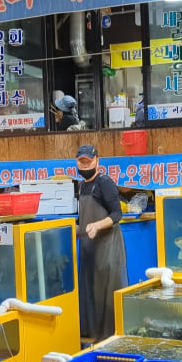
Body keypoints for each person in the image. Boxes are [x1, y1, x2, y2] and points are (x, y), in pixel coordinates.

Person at [71, 142, 126, 343]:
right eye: (81, 162)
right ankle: (92, 335)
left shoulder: (105, 183)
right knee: (89, 290)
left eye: (88, 162)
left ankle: (110, 339)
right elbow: (80, 219)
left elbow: (117, 214)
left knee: (107, 292)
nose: (85, 166)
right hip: (88, 248)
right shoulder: (81, 185)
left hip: (107, 247)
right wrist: (73, 230)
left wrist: (97, 225)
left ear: (97, 161)